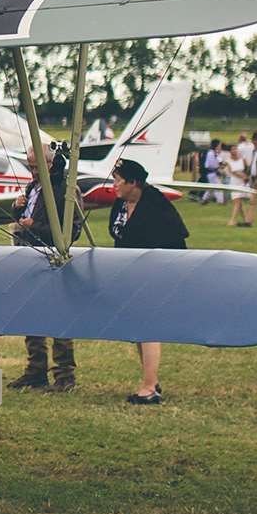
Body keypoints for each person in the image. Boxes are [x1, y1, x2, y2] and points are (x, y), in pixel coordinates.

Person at [108, 159, 188, 404]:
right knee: (137, 329)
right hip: (130, 275)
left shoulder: (156, 205)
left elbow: (175, 244)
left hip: (155, 275)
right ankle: (150, 378)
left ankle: (149, 388)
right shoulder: (121, 204)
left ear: (133, 182)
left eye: (118, 181)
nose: (114, 185)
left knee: (147, 327)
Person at [8, 143, 81, 392]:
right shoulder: (33, 187)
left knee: (59, 316)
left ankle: (64, 375)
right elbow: (23, 219)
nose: (33, 172)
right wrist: (17, 209)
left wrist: (34, 226)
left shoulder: (65, 190)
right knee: (30, 313)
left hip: (54, 260)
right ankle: (35, 370)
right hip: (29, 257)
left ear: (50, 163)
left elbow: (72, 231)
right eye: (30, 167)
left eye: (37, 167)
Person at [222, 145, 253, 227]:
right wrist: (242, 176)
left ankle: (233, 220)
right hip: (234, 182)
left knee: (238, 202)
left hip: (243, 183)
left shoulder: (243, 159)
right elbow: (232, 172)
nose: (234, 151)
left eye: (236, 149)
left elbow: (248, 169)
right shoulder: (227, 161)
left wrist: (246, 177)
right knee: (238, 202)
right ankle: (243, 219)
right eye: (232, 149)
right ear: (230, 151)